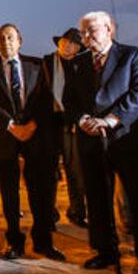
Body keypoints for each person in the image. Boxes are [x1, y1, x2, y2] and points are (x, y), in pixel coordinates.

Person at [64, 11, 138, 274]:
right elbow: (69, 99)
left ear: (109, 29)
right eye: (84, 33)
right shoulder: (76, 63)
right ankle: (105, 250)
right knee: (98, 199)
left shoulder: (132, 55)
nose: (88, 36)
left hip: (126, 137)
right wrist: (82, 120)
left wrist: (111, 120)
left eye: (93, 30)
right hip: (90, 140)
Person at [0, 23, 63, 261]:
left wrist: (33, 124)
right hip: (6, 136)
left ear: (19, 41)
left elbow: (46, 98)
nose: (6, 42)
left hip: (36, 134)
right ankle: (14, 242)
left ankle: (44, 241)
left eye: (10, 37)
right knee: (9, 192)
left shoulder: (37, 65)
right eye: (1, 38)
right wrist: (12, 126)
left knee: (40, 191)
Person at [43, 27, 87, 227]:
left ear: (78, 49)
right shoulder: (45, 63)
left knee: (75, 169)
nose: (68, 46)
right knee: (49, 170)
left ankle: (77, 211)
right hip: (50, 121)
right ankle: (49, 213)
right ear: (59, 42)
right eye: (65, 41)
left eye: (73, 44)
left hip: (72, 122)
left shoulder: (81, 66)